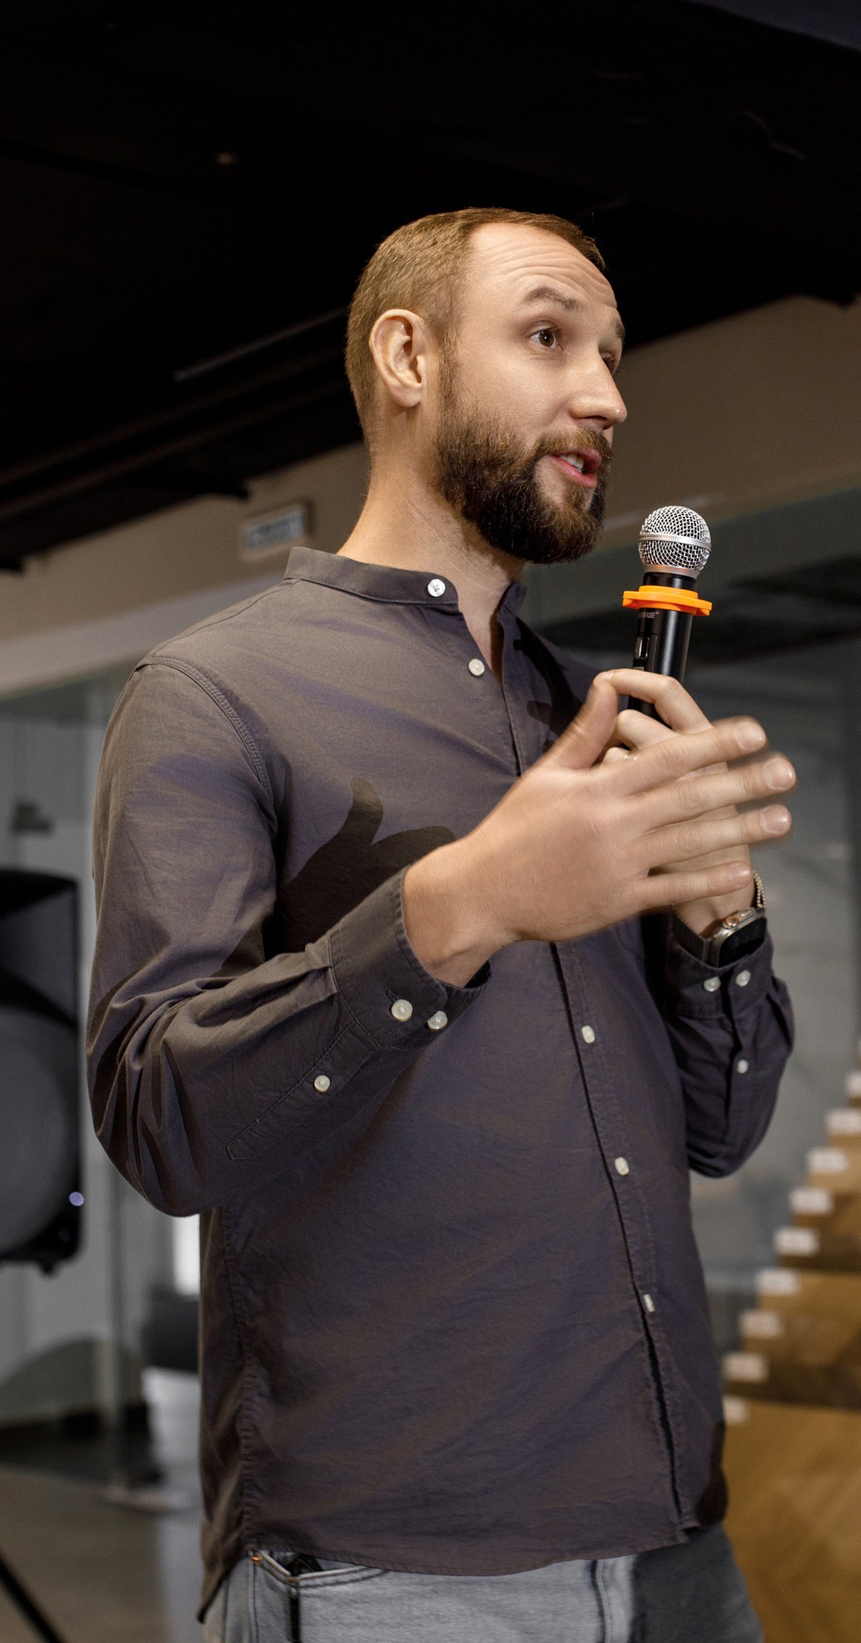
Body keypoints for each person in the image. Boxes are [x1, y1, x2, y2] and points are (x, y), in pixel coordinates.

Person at [89, 207, 796, 1642]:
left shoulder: (588, 720)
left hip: (680, 1552)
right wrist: (461, 903)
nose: (603, 395)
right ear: (407, 355)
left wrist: (719, 920)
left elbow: (720, 1131)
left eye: (609, 356)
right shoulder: (213, 694)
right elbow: (159, 1118)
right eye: (549, 338)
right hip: (397, 1574)